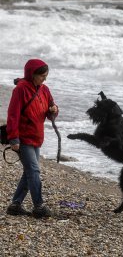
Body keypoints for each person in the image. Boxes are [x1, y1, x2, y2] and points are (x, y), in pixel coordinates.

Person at [6, 58, 58, 218]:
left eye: (46, 76)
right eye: (42, 75)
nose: (44, 79)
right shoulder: (20, 89)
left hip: (37, 137)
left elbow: (50, 112)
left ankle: (15, 205)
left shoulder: (45, 89)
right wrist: (14, 139)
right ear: (32, 74)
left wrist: (54, 110)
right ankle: (39, 206)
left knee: (29, 171)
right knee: (34, 171)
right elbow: (12, 115)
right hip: (23, 138)